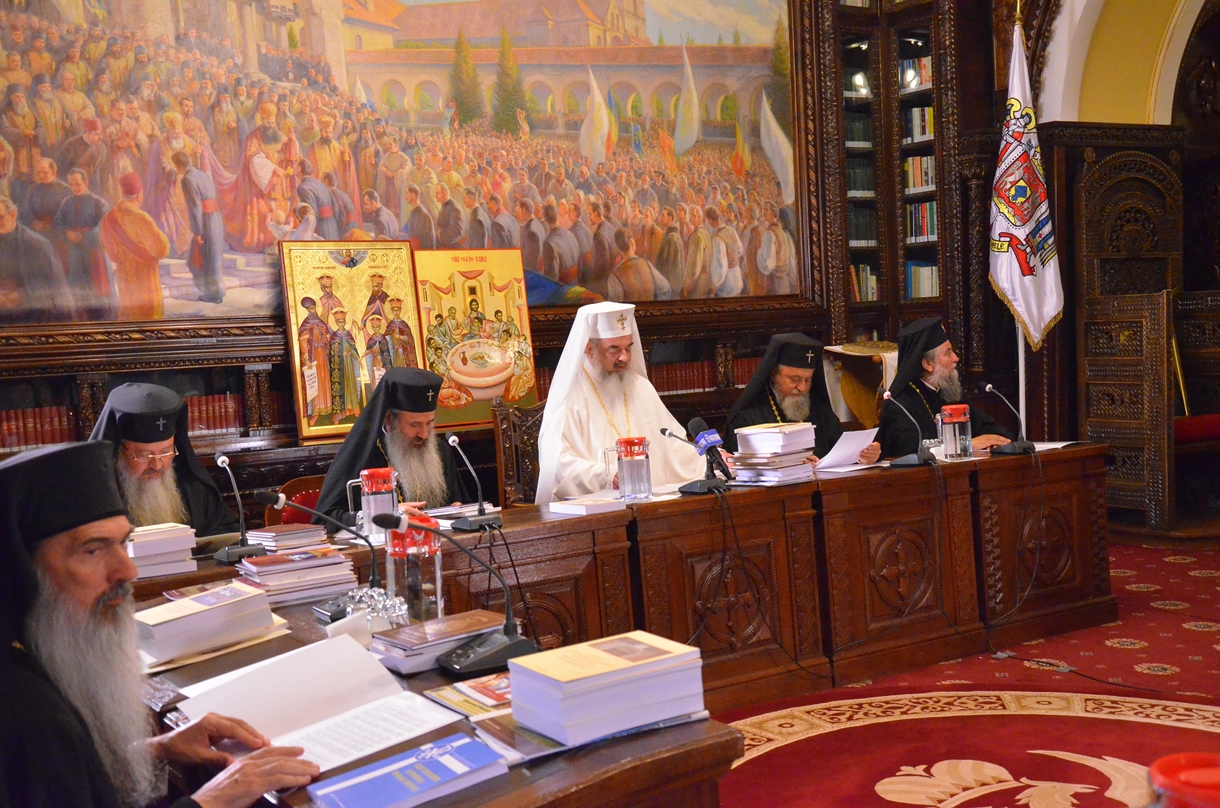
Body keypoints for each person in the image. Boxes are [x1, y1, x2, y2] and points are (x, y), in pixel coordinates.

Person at [0, 441, 319, 808]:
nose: (128, 571)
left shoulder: (36, 654)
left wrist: (155, 749)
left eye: (123, 543)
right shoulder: (28, 716)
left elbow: (66, 778)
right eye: (93, 550)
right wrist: (213, 800)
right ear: (24, 573)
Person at [535, 302, 706, 503]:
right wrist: (607, 475)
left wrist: (708, 459)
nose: (624, 357)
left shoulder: (640, 387)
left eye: (628, 348)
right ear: (589, 349)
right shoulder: (570, 396)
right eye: (614, 349)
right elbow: (557, 462)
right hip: (594, 510)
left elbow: (673, 447)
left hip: (649, 504)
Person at [314, 368, 470, 527]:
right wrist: (385, 515)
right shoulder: (362, 454)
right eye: (415, 424)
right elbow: (324, 520)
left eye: (429, 423)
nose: (424, 434)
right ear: (389, 418)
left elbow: (457, 501)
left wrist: (457, 509)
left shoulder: (439, 450)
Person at [89, 383, 241, 537]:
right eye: (144, 455)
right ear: (117, 453)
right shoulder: (97, 500)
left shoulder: (193, 488)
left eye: (165, 452)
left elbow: (229, 530)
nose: (157, 465)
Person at [723, 333, 881, 464]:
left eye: (807, 380)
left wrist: (866, 453)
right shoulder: (746, 416)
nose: (803, 388)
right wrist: (791, 463)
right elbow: (739, 468)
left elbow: (843, 447)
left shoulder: (818, 408)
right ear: (773, 375)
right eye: (794, 380)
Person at [877, 317, 1012, 458]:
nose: (956, 358)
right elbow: (910, 447)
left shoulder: (950, 393)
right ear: (928, 364)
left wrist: (997, 442)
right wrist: (966, 445)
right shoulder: (900, 403)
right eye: (948, 353)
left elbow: (989, 427)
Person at [100, 172, 170, 320]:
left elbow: (110, 252)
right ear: (139, 195)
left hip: (124, 276)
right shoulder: (141, 217)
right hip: (146, 277)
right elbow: (162, 248)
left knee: (129, 313)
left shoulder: (109, 217)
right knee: (149, 316)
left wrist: (123, 259)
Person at [0, 196, 74, 322]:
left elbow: (54, 288)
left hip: (30, 316)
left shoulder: (37, 245)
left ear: (12, 215)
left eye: (0, 217)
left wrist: (22, 296)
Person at [54, 166, 114, 317]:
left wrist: (84, 238)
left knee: (98, 291)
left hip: (94, 251)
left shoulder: (99, 203)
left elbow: (104, 226)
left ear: (86, 182)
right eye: (71, 184)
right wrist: (67, 233)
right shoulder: (66, 202)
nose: (74, 188)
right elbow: (58, 223)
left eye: (78, 184)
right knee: (77, 287)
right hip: (74, 252)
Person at [174, 150, 226, 304]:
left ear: (177, 166)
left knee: (203, 258)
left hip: (205, 221)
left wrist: (197, 232)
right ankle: (214, 291)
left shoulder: (187, 179)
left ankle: (213, 293)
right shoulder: (202, 174)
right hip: (215, 218)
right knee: (212, 256)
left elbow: (195, 207)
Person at [606, 227, 671, 302]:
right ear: (632, 242)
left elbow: (616, 306)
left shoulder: (615, 277)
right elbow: (666, 288)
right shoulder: (646, 265)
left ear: (618, 248)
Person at [540, 202, 580, 284]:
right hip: (575, 284)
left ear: (545, 218)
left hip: (562, 289)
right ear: (557, 215)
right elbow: (580, 264)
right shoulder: (570, 234)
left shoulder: (549, 244)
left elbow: (551, 279)